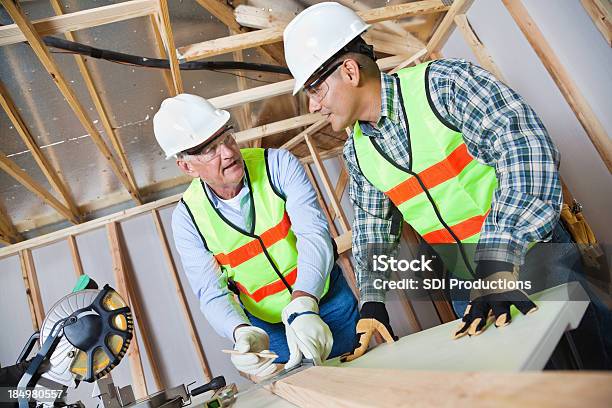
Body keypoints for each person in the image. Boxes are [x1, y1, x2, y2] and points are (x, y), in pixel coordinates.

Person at [283, 2, 611, 367]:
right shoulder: (357, 153)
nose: (312, 106)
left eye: (315, 89)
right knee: (528, 383)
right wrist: (373, 299)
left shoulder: (444, 86)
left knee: (596, 367)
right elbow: (372, 228)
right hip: (466, 283)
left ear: (349, 71)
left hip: (535, 254)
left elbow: (525, 151)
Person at [153, 94, 358, 375]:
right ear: (186, 166)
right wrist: (239, 331)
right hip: (268, 329)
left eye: (225, 137)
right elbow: (210, 292)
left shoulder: (278, 165)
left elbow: (314, 235)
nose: (227, 152)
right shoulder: (188, 218)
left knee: (360, 372)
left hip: (326, 299)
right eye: (209, 149)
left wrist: (304, 299)